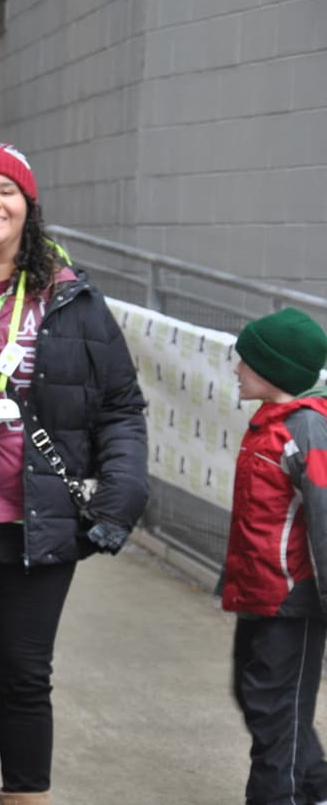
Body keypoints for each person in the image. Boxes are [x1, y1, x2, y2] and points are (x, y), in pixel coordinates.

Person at [0, 143, 148, 805]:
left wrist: (118, 503)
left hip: (41, 523)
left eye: (5, 190)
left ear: (29, 206)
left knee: (25, 676)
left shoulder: (74, 300)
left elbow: (121, 410)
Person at [223, 307, 327, 805]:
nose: (236, 369)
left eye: (244, 361)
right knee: (257, 698)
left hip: (294, 603)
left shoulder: (306, 431)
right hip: (259, 596)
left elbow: (325, 522)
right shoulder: (269, 426)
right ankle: (316, 788)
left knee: (276, 717)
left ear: (272, 371)